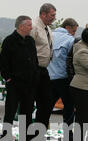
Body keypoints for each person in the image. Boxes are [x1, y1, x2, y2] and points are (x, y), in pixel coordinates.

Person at [0, 16, 38, 141]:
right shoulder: (9, 41)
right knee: (10, 112)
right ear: (21, 26)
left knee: (27, 113)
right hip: (15, 83)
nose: (31, 28)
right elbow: (3, 62)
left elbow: (34, 61)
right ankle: (5, 140)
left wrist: (34, 76)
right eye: (29, 25)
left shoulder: (31, 41)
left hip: (29, 84)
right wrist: (8, 78)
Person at [47, 18, 78, 141]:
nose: (74, 34)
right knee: (69, 109)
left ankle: (39, 134)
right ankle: (68, 137)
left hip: (48, 77)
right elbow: (73, 61)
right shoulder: (70, 40)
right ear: (68, 28)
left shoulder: (49, 36)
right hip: (64, 79)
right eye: (74, 31)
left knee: (45, 108)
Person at [30, 3, 56, 133]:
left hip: (44, 69)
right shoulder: (34, 27)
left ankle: (39, 132)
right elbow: (28, 49)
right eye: (52, 15)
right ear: (43, 14)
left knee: (46, 102)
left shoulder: (47, 29)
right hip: (33, 69)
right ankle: (30, 134)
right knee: (29, 103)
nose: (54, 18)